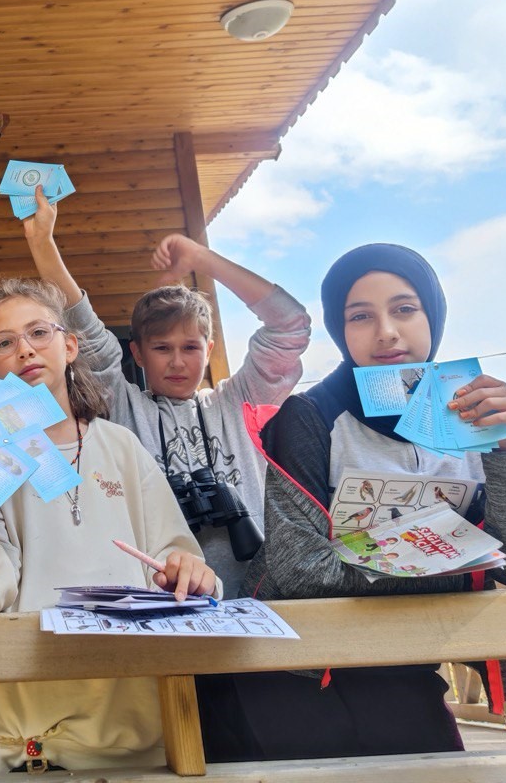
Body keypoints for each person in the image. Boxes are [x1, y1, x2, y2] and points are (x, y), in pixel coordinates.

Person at [239, 243, 506, 760]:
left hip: (406, 666)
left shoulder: (474, 418)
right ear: (340, 331)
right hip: (296, 670)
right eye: (360, 316)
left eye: (405, 309)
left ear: (434, 316)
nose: (386, 331)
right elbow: (300, 570)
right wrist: (460, 572)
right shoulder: (309, 418)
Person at [0, 278, 217, 772]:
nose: (25, 350)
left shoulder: (119, 445)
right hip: (33, 736)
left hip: (142, 724)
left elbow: (179, 560)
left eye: (39, 332)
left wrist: (188, 572)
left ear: (70, 344)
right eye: (4, 342)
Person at [22, 188, 310, 597]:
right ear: (136, 353)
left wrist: (202, 260)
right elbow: (82, 326)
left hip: (261, 586)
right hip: (157, 591)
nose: (177, 362)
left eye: (190, 348)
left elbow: (290, 326)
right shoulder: (122, 407)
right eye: (161, 348)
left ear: (208, 351)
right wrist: (42, 243)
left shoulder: (236, 400)